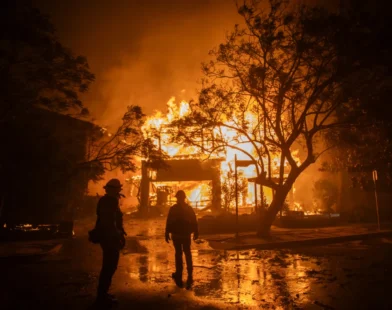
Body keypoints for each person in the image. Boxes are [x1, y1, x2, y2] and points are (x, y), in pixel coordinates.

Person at [95, 178, 127, 305]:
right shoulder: (111, 201)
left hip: (107, 237)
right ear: (114, 190)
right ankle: (102, 297)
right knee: (109, 266)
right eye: (118, 189)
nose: (119, 191)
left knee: (108, 266)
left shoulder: (105, 200)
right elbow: (110, 222)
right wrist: (118, 236)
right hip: (110, 238)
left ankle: (103, 294)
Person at [165, 190, 199, 289]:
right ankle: (189, 272)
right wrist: (196, 231)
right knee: (186, 252)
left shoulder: (174, 209)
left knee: (179, 253)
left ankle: (179, 273)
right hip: (184, 235)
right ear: (184, 198)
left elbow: (169, 221)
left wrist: (167, 232)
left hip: (177, 235)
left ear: (178, 198)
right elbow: (194, 220)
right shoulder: (188, 209)